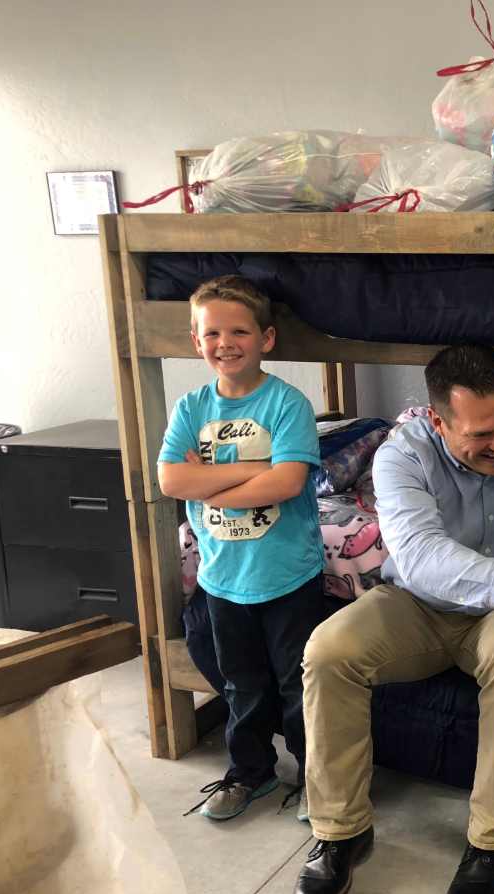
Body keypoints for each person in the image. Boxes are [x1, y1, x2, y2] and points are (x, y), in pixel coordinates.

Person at [292, 344, 494, 894]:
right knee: (328, 651)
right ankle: (341, 832)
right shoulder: (399, 457)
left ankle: (491, 841)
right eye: (481, 434)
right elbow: (422, 557)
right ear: (436, 419)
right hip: (419, 603)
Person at [157, 275, 325, 823]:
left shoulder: (287, 403)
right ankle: (248, 772)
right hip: (222, 576)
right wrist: (257, 468)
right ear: (195, 340)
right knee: (241, 685)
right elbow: (169, 482)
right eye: (212, 333)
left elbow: (288, 484)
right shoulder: (190, 407)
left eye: (239, 331)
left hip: (287, 574)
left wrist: (213, 477)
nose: (225, 342)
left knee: (297, 685)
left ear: (266, 339)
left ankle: (311, 778)